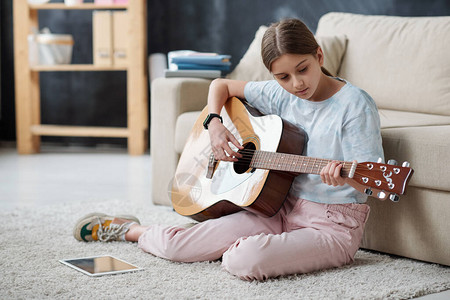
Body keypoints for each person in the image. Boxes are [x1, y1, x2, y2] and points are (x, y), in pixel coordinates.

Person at [73, 18, 384, 281]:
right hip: (277, 207)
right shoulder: (280, 93)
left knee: (242, 261)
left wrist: (344, 177)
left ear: (319, 56)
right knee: (176, 249)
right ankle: (129, 229)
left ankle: (256, 244)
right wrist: (215, 124)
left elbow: (370, 181)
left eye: (302, 69)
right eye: (283, 77)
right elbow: (220, 86)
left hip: (332, 225)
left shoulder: (355, 105)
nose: (296, 84)